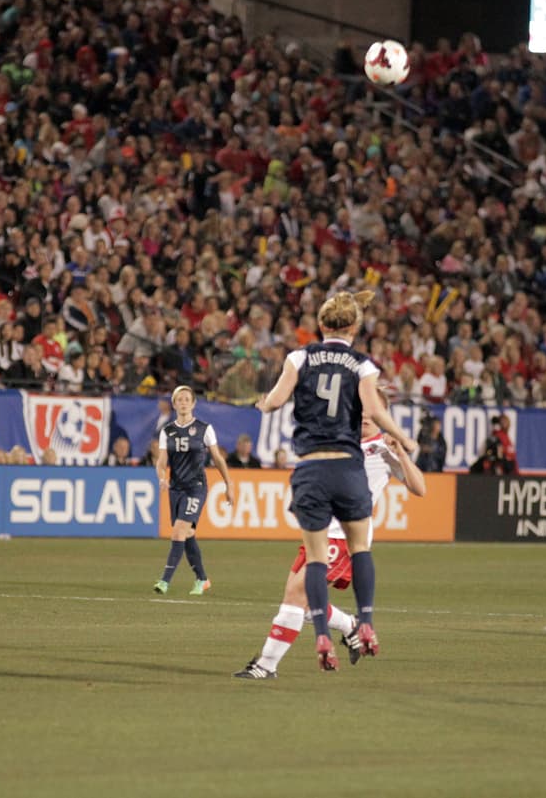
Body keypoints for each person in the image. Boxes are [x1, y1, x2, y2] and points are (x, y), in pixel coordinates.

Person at [255, 291, 416, 670]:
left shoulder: (300, 356)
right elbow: (375, 408)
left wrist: (263, 403)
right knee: (355, 556)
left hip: (312, 468)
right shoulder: (362, 364)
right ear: (356, 328)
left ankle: (267, 664)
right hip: (347, 468)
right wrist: (405, 437)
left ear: (320, 324)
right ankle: (360, 622)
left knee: (300, 586)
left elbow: (276, 402)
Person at [236, 391, 426, 679]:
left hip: (344, 536)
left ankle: (266, 665)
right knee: (305, 600)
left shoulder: (384, 448)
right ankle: (349, 627)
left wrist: (401, 452)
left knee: (296, 596)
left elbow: (419, 488)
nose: (363, 415)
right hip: (319, 529)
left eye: (371, 412)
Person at [152, 386, 234, 596]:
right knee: (187, 534)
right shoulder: (167, 431)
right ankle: (202, 579)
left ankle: (164, 581)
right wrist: (162, 478)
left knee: (179, 531)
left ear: (194, 403)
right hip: (176, 488)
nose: (183, 402)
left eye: (187, 399)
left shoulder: (204, 429)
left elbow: (217, 458)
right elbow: (161, 462)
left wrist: (228, 484)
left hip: (196, 487)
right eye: (179, 399)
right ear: (174, 404)